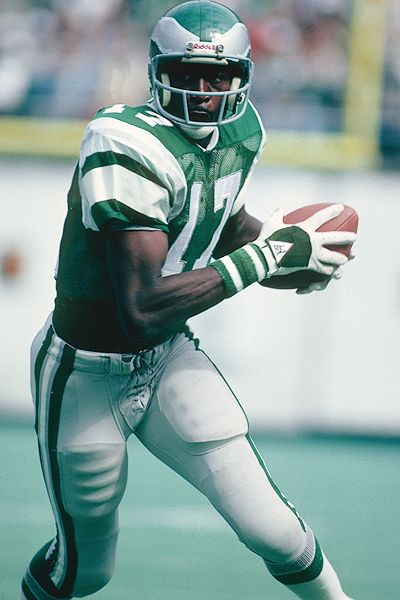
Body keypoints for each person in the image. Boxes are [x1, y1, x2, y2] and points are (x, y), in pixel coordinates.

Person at [20, 2, 356, 599]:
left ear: (243, 77)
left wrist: (289, 247)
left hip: (167, 355)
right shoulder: (121, 140)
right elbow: (141, 304)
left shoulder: (242, 130)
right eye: (187, 74)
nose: (205, 91)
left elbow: (221, 225)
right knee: (86, 570)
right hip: (84, 373)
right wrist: (270, 256)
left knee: (275, 530)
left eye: (221, 77)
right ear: (156, 72)